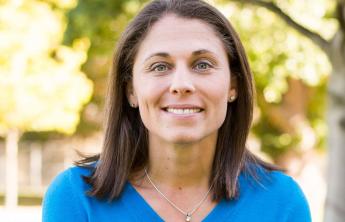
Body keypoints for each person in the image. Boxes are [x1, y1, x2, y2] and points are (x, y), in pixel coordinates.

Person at [42, 0, 311, 221]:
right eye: (160, 66)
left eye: (203, 64)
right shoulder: (75, 198)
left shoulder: (281, 202)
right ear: (131, 91)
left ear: (233, 85)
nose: (181, 85)